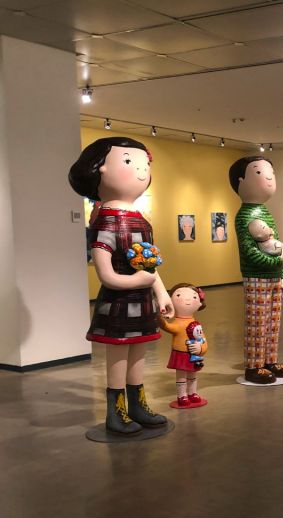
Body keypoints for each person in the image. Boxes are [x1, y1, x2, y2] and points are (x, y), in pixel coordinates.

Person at [68, 137, 172, 436]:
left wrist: (160, 291)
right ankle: (116, 412)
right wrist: (137, 281)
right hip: (118, 302)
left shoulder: (142, 222)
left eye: (144, 163)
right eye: (129, 161)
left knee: (138, 351)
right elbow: (106, 274)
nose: (141, 169)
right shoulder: (106, 222)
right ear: (99, 168)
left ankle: (138, 405)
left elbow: (149, 264)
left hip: (142, 299)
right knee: (119, 353)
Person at [230, 156, 283, 384]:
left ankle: (269, 360)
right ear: (241, 181)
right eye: (259, 172)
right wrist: (280, 264)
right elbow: (250, 252)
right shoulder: (244, 215)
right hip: (255, 277)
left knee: (273, 322)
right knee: (257, 323)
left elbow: (276, 246)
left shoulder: (265, 212)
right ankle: (254, 366)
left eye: (271, 173)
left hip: (273, 277)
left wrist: (282, 276)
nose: (268, 177)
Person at [159, 283, 208, 408]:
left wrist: (200, 348)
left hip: (193, 355)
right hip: (180, 353)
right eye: (179, 295)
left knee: (193, 374)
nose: (187, 300)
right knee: (181, 375)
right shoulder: (178, 323)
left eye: (194, 297)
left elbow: (203, 340)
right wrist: (159, 318)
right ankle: (182, 395)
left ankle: (192, 393)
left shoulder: (196, 323)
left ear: (199, 304)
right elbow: (168, 327)